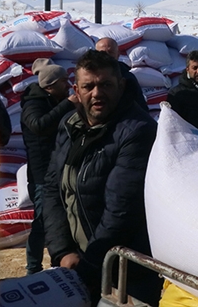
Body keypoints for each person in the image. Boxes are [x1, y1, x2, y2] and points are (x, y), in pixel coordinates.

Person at [41, 50, 161, 304]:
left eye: (105, 84)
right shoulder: (70, 125)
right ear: (76, 89)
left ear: (121, 85)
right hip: (78, 264)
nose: (97, 93)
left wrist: (89, 266)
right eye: (89, 86)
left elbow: (121, 208)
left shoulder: (137, 131)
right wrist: (62, 251)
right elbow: (53, 188)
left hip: (124, 273)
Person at [21, 59, 78, 275]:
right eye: (64, 81)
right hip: (41, 173)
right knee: (42, 221)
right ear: (50, 85)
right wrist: (67, 105)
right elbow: (39, 126)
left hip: (60, 168)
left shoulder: (54, 100)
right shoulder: (32, 103)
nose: (68, 85)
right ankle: (33, 268)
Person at [95, 37, 147, 110]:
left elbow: (140, 108)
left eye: (110, 52)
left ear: (118, 54)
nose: (106, 56)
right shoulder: (87, 75)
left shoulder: (128, 79)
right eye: (102, 53)